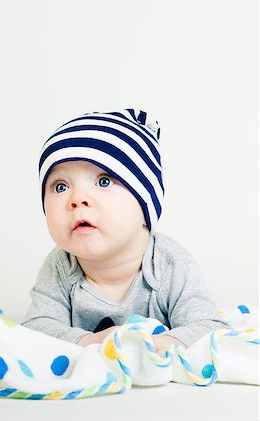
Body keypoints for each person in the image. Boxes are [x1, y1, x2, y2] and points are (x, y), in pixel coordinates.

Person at [21, 108, 229, 355]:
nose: (76, 198)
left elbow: (209, 328)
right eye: (60, 186)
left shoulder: (169, 265)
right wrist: (89, 342)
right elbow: (35, 327)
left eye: (104, 181)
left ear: (145, 207)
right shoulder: (61, 265)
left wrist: (168, 344)